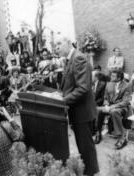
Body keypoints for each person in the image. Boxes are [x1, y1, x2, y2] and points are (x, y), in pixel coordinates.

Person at [55, 37, 99, 175]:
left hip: (82, 112)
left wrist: (63, 100)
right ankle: (88, 171)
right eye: (55, 45)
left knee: (86, 147)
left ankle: (91, 172)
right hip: (77, 110)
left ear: (68, 43)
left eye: (59, 44)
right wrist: (59, 95)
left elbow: (83, 88)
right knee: (83, 146)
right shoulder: (71, 59)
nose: (56, 48)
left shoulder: (78, 58)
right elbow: (70, 85)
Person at [96, 70, 131, 149]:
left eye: (113, 76)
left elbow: (126, 101)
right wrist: (106, 104)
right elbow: (105, 97)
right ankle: (98, 132)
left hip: (121, 107)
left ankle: (122, 137)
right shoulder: (109, 84)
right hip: (109, 105)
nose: (111, 77)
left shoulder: (127, 85)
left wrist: (112, 107)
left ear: (119, 77)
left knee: (114, 112)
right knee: (98, 110)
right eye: (111, 75)